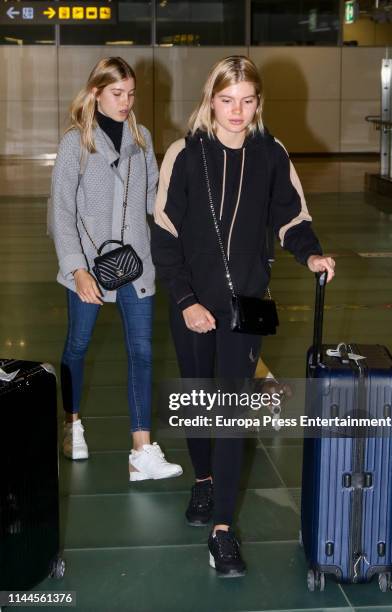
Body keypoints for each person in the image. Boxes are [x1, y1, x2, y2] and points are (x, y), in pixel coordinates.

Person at [151, 55, 335, 577]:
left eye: (247, 100)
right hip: (192, 302)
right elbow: (165, 235)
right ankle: (204, 479)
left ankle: (223, 530)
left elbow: (291, 215)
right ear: (211, 99)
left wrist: (311, 253)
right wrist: (186, 301)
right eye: (227, 100)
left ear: (258, 102)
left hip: (246, 304)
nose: (237, 111)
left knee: (230, 412)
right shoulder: (185, 154)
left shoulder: (271, 153)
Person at [50, 56, 182, 482]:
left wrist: (183, 223)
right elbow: (62, 212)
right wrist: (77, 270)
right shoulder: (75, 143)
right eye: (116, 94)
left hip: (135, 264)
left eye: (130, 94)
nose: (126, 102)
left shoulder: (141, 138)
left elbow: (151, 202)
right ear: (96, 93)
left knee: (142, 353)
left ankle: (141, 452)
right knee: (78, 345)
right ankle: (72, 424)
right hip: (88, 268)